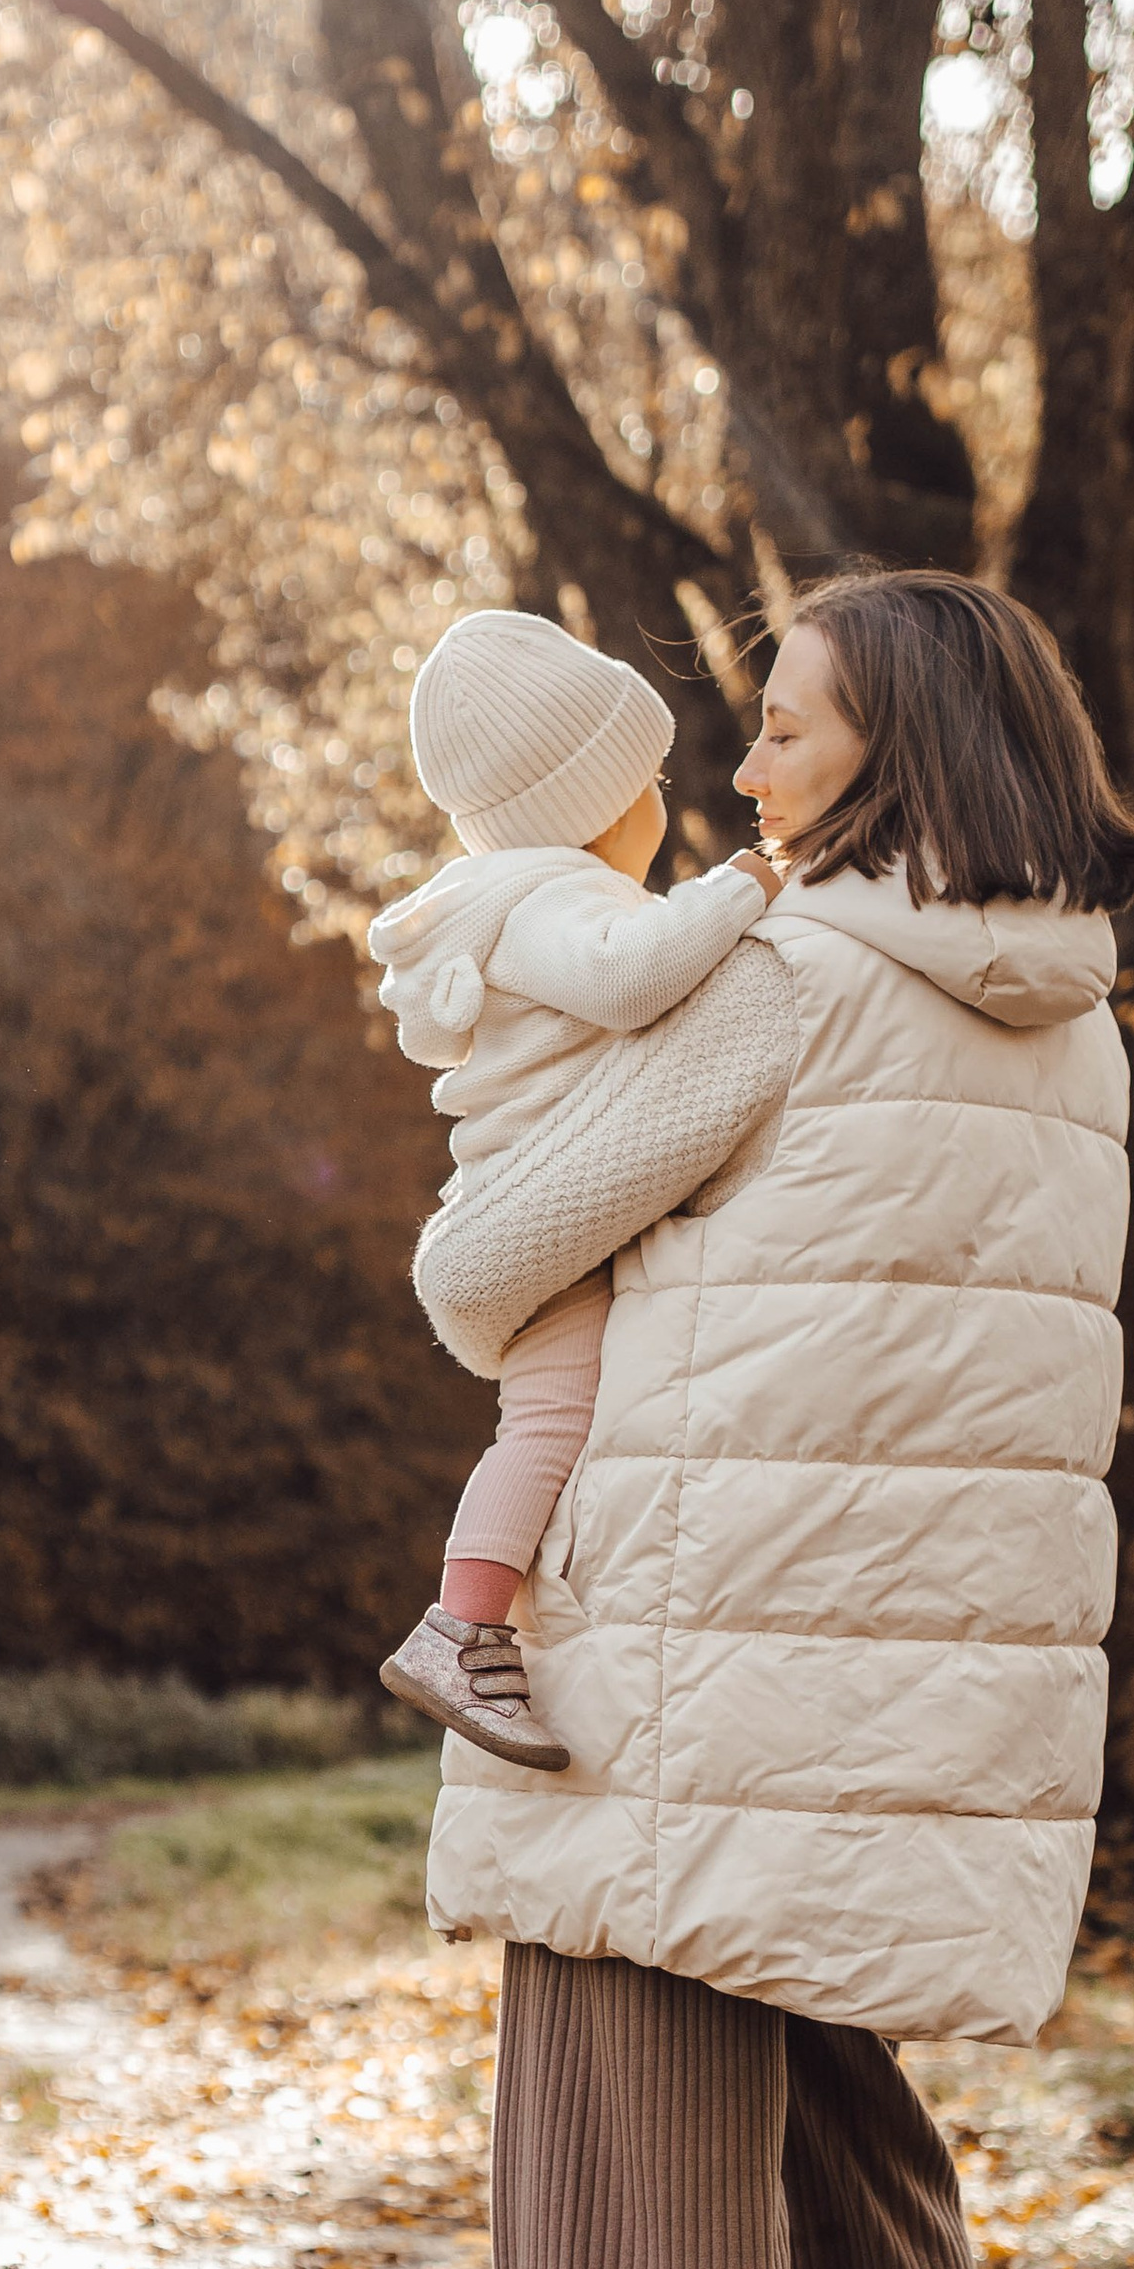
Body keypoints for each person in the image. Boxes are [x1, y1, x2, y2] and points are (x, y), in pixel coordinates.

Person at [421, 566, 1134, 2269]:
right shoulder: (1060, 1009)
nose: (737, 768)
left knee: (622, 2174)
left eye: (780, 724)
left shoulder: (775, 980)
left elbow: (476, 1268)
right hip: (881, 1664)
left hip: (674, 1650)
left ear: (890, 754)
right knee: (835, 2120)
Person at [367, 610, 784, 1771]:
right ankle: (460, 1629)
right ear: (598, 803)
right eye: (647, 777)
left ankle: (469, 1624)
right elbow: (631, 977)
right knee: (549, 1424)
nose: (660, 796)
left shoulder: (513, 895)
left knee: (553, 1422)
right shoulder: (552, 899)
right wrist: (744, 888)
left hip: (547, 1202)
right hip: (542, 1215)